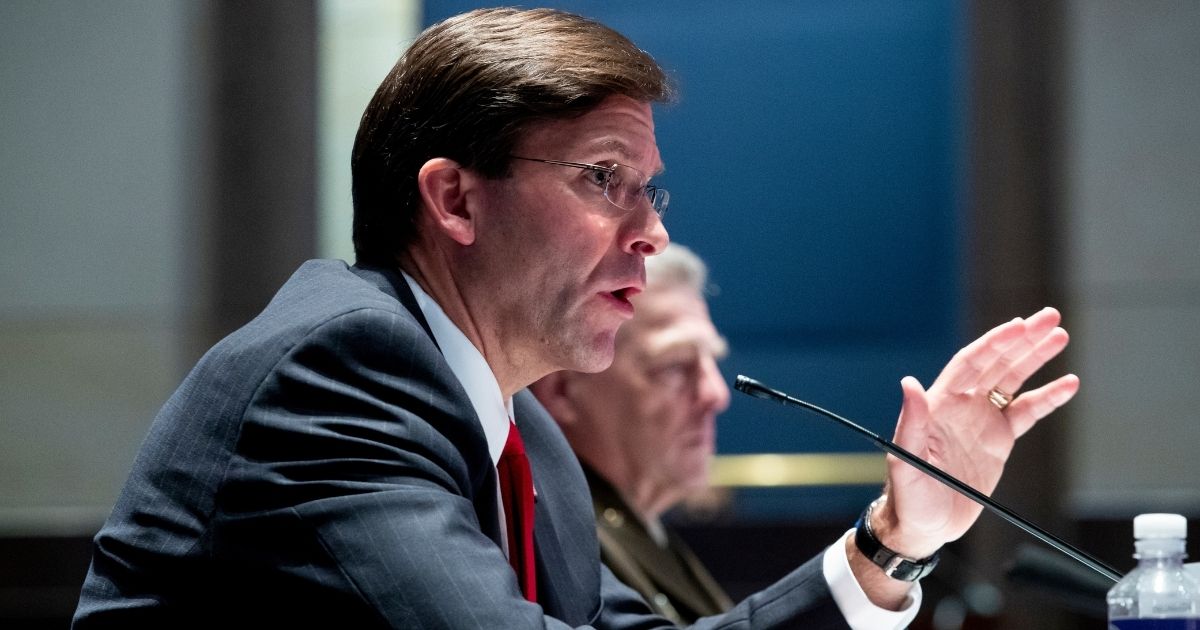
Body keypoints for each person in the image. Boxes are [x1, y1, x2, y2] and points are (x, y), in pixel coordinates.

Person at [72, 7, 1080, 629]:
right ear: (455, 199)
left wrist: (897, 536)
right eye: (604, 179)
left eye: (653, 189)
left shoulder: (530, 436)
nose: (649, 232)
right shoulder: (340, 369)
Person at [531, 243, 734, 624]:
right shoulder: (564, 551)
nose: (715, 395)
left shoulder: (639, 526)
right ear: (560, 388)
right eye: (674, 367)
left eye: (712, 361)